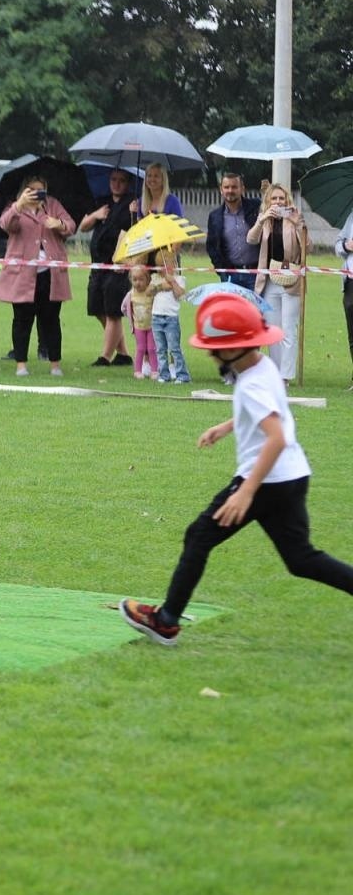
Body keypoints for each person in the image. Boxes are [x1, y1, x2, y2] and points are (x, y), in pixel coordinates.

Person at [119, 294, 353, 647]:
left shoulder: (253, 382)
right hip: (292, 476)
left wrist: (246, 491)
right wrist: (228, 425)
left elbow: (274, 437)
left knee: (199, 536)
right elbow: (268, 411)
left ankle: (165, 621)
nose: (211, 355)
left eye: (215, 349)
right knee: (300, 559)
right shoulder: (262, 367)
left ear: (237, 348)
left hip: (264, 481)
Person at [0, 175, 75, 377]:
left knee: (51, 320)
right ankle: (21, 364)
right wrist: (18, 205)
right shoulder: (15, 207)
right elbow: (4, 224)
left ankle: (55, 365)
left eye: (41, 190)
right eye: (32, 190)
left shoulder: (53, 205)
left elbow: (71, 226)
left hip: (50, 274)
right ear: (24, 190)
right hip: (22, 275)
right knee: (22, 319)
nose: (37, 194)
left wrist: (58, 224)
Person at [246, 183, 308, 381]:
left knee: (289, 328)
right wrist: (262, 219)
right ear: (268, 201)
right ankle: (274, 373)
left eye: (281, 198)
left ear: (287, 200)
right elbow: (251, 239)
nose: (278, 202)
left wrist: (299, 225)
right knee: (273, 330)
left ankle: (285, 377)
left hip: (291, 279)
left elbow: (309, 247)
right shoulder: (265, 220)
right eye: (274, 198)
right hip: (269, 280)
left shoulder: (295, 218)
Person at [78, 167, 137, 367]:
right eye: (113, 179)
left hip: (118, 266)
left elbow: (136, 231)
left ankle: (105, 356)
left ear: (128, 183)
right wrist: (96, 214)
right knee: (96, 308)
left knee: (113, 311)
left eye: (121, 180)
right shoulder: (102, 202)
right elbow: (83, 226)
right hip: (97, 265)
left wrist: (134, 215)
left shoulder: (133, 204)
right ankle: (123, 353)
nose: (117, 183)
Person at [206, 172, 261, 289]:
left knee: (255, 308)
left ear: (242, 189)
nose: (230, 190)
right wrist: (221, 270)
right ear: (221, 190)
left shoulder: (256, 208)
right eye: (226, 187)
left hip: (256, 274)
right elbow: (211, 246)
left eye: (234, 187)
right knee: (231, 308)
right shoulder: (215, 216)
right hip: (230, 276)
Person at [150, 253, 190, 383]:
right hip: (156, 317)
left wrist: (172, 282)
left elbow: (180, 295)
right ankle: (164, 374)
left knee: (174, 348)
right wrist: (160, 286)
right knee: (160, 349)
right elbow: (148, 292)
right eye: (159, 266)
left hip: (171, 319)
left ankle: (182, 375)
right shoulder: (155, 278)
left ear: (174, 265)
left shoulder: (179, 279)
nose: (162, 269)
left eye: (165, 266)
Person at [122, 264, 157, 379]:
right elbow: (123, 308)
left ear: (147, 279)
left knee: (152, 348)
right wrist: (131, 317)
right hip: (138, 327)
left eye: (141, 279)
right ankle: (137, 370)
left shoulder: (151, 293)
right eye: (135, 279)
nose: (138, 282)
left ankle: (154, 370)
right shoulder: (130, 295)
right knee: (140, 348)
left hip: (151, 326)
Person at [339, 210, 353, 389]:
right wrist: (345, 245)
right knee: (352, 333)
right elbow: (337, 244)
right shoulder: (351, 217)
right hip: (350, 282)